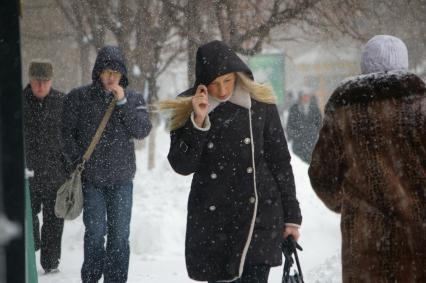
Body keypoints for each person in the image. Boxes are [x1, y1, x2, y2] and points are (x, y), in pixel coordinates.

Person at [161, 40, 302, 283]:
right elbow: (182, 165)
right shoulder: (189, 107)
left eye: (228, 80)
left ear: (238, 74)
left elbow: (280, 161)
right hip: (215, 220)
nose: (223, 90)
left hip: (260, 214)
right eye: (215, 84)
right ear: (203, 84)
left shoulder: (260, 103)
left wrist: (292, 217)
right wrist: (199, 121)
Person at [308, 35, 426, 282]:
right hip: (417, 245)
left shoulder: (342, 109)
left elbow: (322, 174)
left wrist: (350, 205)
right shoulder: (420, 107)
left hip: (363, 247)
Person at [62, 46, 152, 283]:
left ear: (123, 74)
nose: (111, 77)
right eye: (106, 71)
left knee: (120, 236)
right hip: (92, 181)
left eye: (116, 72)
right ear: (98, 72)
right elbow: (65, 135)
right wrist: (77, 163)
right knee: (94, 234)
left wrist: (122, 102)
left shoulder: (134, 99)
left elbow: (142, 130)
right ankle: (90, 278)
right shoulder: (79, 98)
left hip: (122, 181)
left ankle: (116, 280)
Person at [22, 60, 67, 274]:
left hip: (55, 174)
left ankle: (51, 263)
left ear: (51, 81)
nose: (40, 86)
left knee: (54, 221)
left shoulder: (62, 102)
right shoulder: (18, 102)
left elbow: (71, 138)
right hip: (26, 174)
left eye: (45, 81)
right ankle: (31, 248)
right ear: (29, 79)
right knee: (27, 217)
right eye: (36, 81)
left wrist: (68, 168)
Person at [286, 89, 322, 163]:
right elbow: (289, 126)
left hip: (312, 143)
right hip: (298, 145)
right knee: (300, 165)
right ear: (300, 97)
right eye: (304, 96)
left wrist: (314, 133)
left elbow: (319, 124)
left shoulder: (315, 109)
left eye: (307, 96)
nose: (305, 98)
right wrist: (296, 135)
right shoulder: (294, 109)